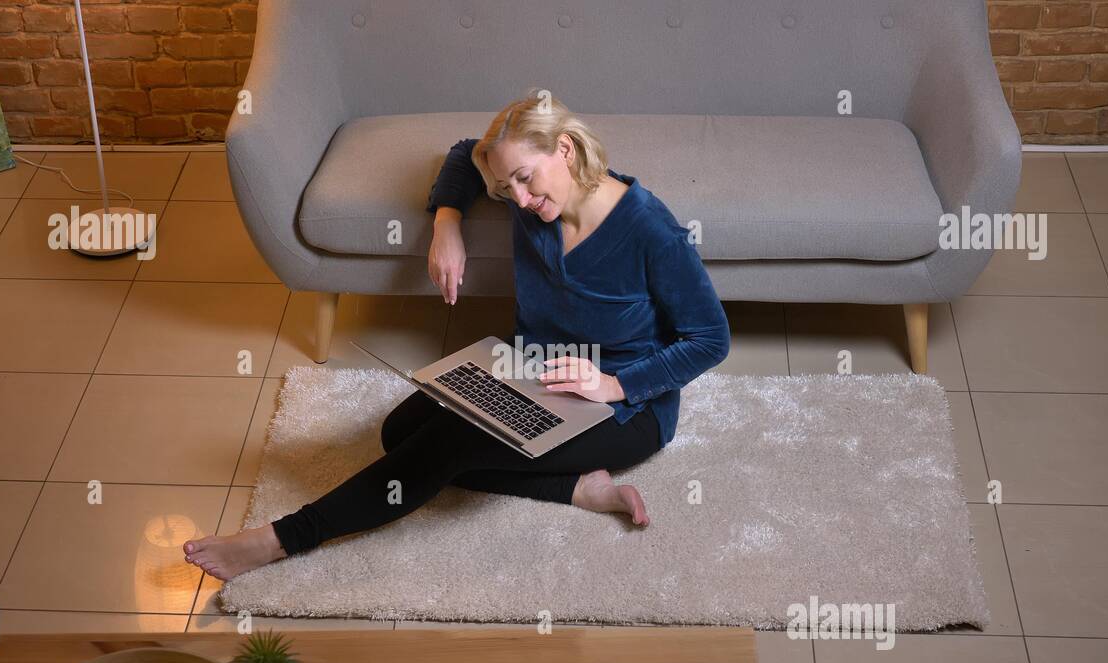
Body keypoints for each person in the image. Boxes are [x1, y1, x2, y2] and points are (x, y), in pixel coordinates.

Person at [183, 88, 730, 581]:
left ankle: (280, 540)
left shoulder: (652, 231)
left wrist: (611, 384)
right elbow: (467, 152)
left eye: (525, 179)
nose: (516, 198)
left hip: (627, 409)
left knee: (450, 443)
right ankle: (577, 488)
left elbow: (710, 340)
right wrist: (447, 224)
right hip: (535, 366)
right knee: (400, 432)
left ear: (565, 148)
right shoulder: (533, 196)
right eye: (506, 183)